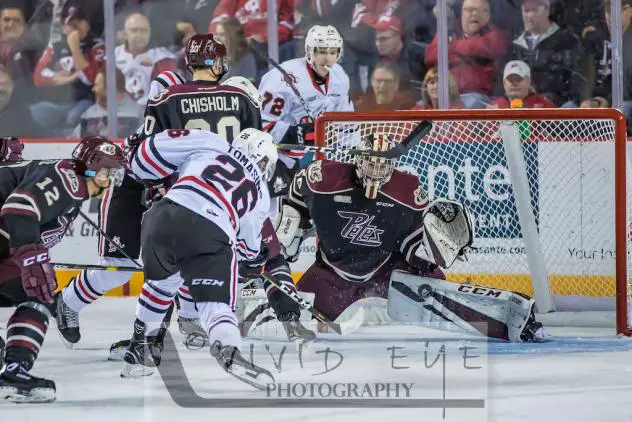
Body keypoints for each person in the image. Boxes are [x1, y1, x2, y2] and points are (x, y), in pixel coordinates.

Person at [275, 131, 545, 342]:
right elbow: (296, 198)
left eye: (384, 165)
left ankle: (506, 320)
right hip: (330, 275)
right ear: (357, 159)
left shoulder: (406, 190)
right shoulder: (322, 177)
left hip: (386, 271)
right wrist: (290, 230)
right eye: (372, 163)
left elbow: (412, 248)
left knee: (434, 288)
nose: (377, 171)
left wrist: (436, 248)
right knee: (286, 319)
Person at [121, 127, 276, 389]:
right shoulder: (260, 191)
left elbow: (148, 156)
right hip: (209, 228)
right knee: (215, 306)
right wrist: (255, 258)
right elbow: (248, 249)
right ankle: (228, 349)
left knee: (161, 286)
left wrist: (135, 161)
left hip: (161, 216)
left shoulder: (210, 141)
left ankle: (141, 349)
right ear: (262, 160)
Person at [0, 136, 125, 403]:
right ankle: (13, 373)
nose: (111, 179)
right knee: (38, 291)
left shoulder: (69, 185)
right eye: (107, 171)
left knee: (33, 288)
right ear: (91, 167)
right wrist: (32, 258)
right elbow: (18, 209)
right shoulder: (69, 180)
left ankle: (13, 370)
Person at [258, 24, 353, 163]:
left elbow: (347, 125)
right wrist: (297, 134)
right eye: (321, 51)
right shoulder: (282, 79)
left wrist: (350, 154)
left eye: (332, 52)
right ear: (310, 51)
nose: (327, 59)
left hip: (321, 156)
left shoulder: (340, 77)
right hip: (280, 158)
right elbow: (261, 123)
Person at [424, 0, 509, 109]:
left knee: (470, 104)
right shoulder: (450, 30)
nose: (475, 14)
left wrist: (450, 47)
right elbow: (430, 56)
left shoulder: (496, 34)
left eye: (482, 11)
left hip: (477, 96)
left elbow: (486, 49)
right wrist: (463, 50)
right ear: (461, 14)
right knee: (420, 109)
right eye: (470, 10)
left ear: (489, 15)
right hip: (445, 96)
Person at [503, 0, 585, 107]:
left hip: (557, 106)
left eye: (535, 10)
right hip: (521, 105)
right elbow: (503, 79)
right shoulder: (514, 45)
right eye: (526, 11)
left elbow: (577, 79)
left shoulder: (567, 41)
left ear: (547, 10)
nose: (530, 16)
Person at [115, 12, 177, 106]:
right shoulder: (113, 55)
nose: (139, 35)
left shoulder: (163, 58)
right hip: (120, 111)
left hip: (151, 111)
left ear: (150, 32)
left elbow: (168, 93)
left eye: (143, 30)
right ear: (125, 34)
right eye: (134, 30)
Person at [71, 68, 143, 138]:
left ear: (110, 87)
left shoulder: (138, 112)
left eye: (96, 85)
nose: (93, 89)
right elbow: (72, 141)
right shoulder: (89, 113)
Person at [489, 60, 557, 109]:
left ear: (528, 81)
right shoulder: (494, 107)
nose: (514, 83)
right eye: (510, 80)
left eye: (518, 79)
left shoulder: (544, 104)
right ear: (504, 83)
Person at [215, 17, 257, 83]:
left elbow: (248, 85)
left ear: (233, 36)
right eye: (217, 34)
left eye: (222, 34)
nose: (217, 39)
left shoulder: (247, 58)